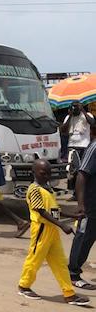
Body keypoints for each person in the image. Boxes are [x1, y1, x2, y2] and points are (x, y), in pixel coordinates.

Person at [17, 160, 90, 306]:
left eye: (49, 173)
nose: (46, 176)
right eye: (43, 173)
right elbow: (41, 211)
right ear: (34, 172)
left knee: (60, 263)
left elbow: (53, 210)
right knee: (35, 259)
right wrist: (62, 225)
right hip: (42, 230)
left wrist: (71, 216)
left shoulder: (47, 188)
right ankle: (24, 286)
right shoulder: (34, 190)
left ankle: (69, 293)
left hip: (52, 230)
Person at [68, 123, 96, 289]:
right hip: (90, 204)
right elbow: (82, 174)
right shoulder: (94, 148)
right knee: (84, 236)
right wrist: (80, 204)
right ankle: (73, 273)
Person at [62, 102, 95, 193]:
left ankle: (84, 191)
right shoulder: (68, 117)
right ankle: (74, 192)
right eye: (73, 107)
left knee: (83, 170)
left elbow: (93, 123)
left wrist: (83, 111)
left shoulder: (87, 115)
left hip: (84, 146)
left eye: (76, 106)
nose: (75, 109)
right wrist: (69, 116)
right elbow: (63, 130)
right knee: (71, 170)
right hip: (72, 146)